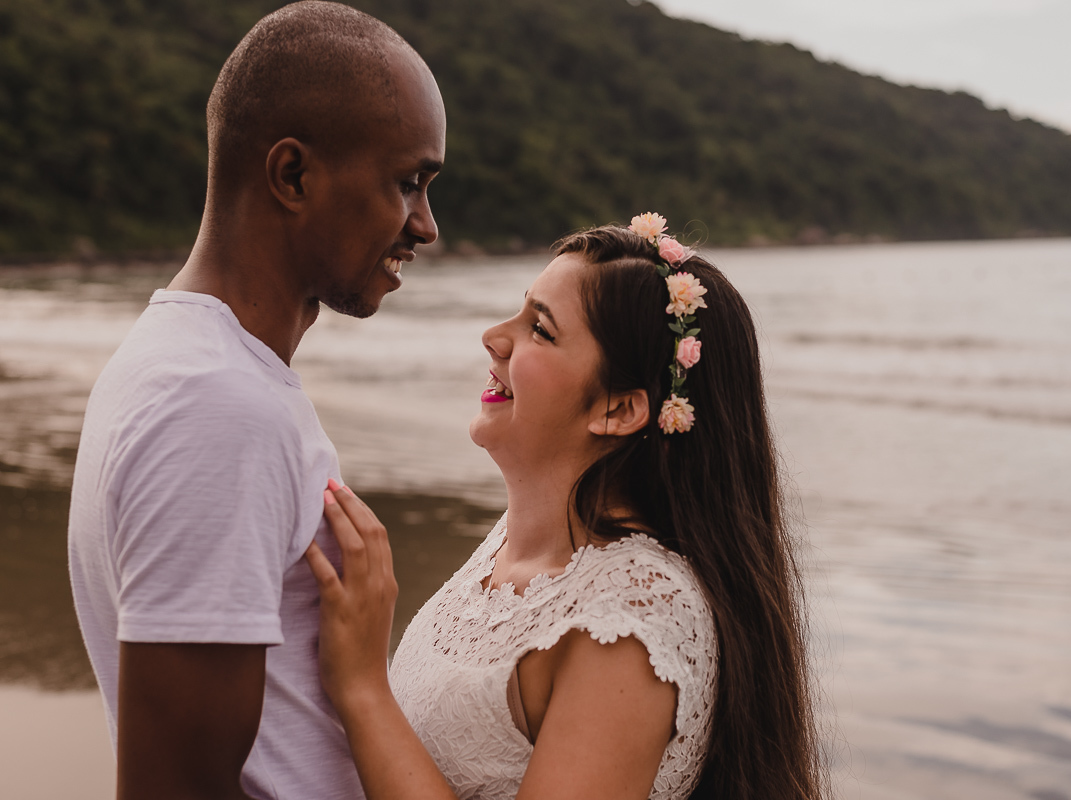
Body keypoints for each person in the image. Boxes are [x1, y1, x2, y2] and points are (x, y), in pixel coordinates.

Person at [307, 216, 827, 799]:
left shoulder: (629, 620)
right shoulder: (517, 542)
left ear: (619, 410)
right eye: (520, 310)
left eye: (541, 330)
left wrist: (361, 687)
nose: (494, 337)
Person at [66, 3, 444, 798]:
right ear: (293, 175)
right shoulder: (218, 406)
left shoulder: (185, 366)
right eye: (407, 182)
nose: (426, 225)